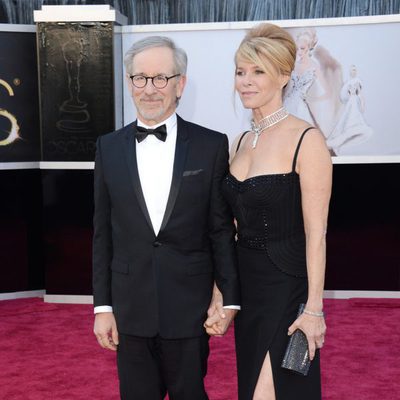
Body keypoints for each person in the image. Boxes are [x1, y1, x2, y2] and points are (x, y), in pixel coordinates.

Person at [92, 36, 240, 400]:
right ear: (129, 84)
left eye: (161, 78)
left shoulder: (211, 145)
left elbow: (219, 228)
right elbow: (102, 234)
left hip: (189, 307)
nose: (149, 88)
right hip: (130, 307)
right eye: (140, 78)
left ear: (180, 84)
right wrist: (103, 307)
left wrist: (230, 298)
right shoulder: (107, 147)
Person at [206, 23, 332, 399]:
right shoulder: (241, 141)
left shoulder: (306, 140)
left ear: (283, 77)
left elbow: (317, 233)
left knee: (274, 389)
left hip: (286, 286)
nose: (245, 81)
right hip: (248, 289)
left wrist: (314, 309)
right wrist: (220, 291)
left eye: (257, 71)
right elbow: (230, 226)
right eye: (240, 71)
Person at [327, 64, 373, 155]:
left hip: (355, 101)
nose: (353, 72)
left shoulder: (357, 81)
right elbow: (343, 95)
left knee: (354, 114)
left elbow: (360, 94)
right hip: (350, 101)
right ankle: (348, 129)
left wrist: (362, 104)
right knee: (347, 115)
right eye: (352, 70)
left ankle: (354, 126)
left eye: (354, 70)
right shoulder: (348, 83)